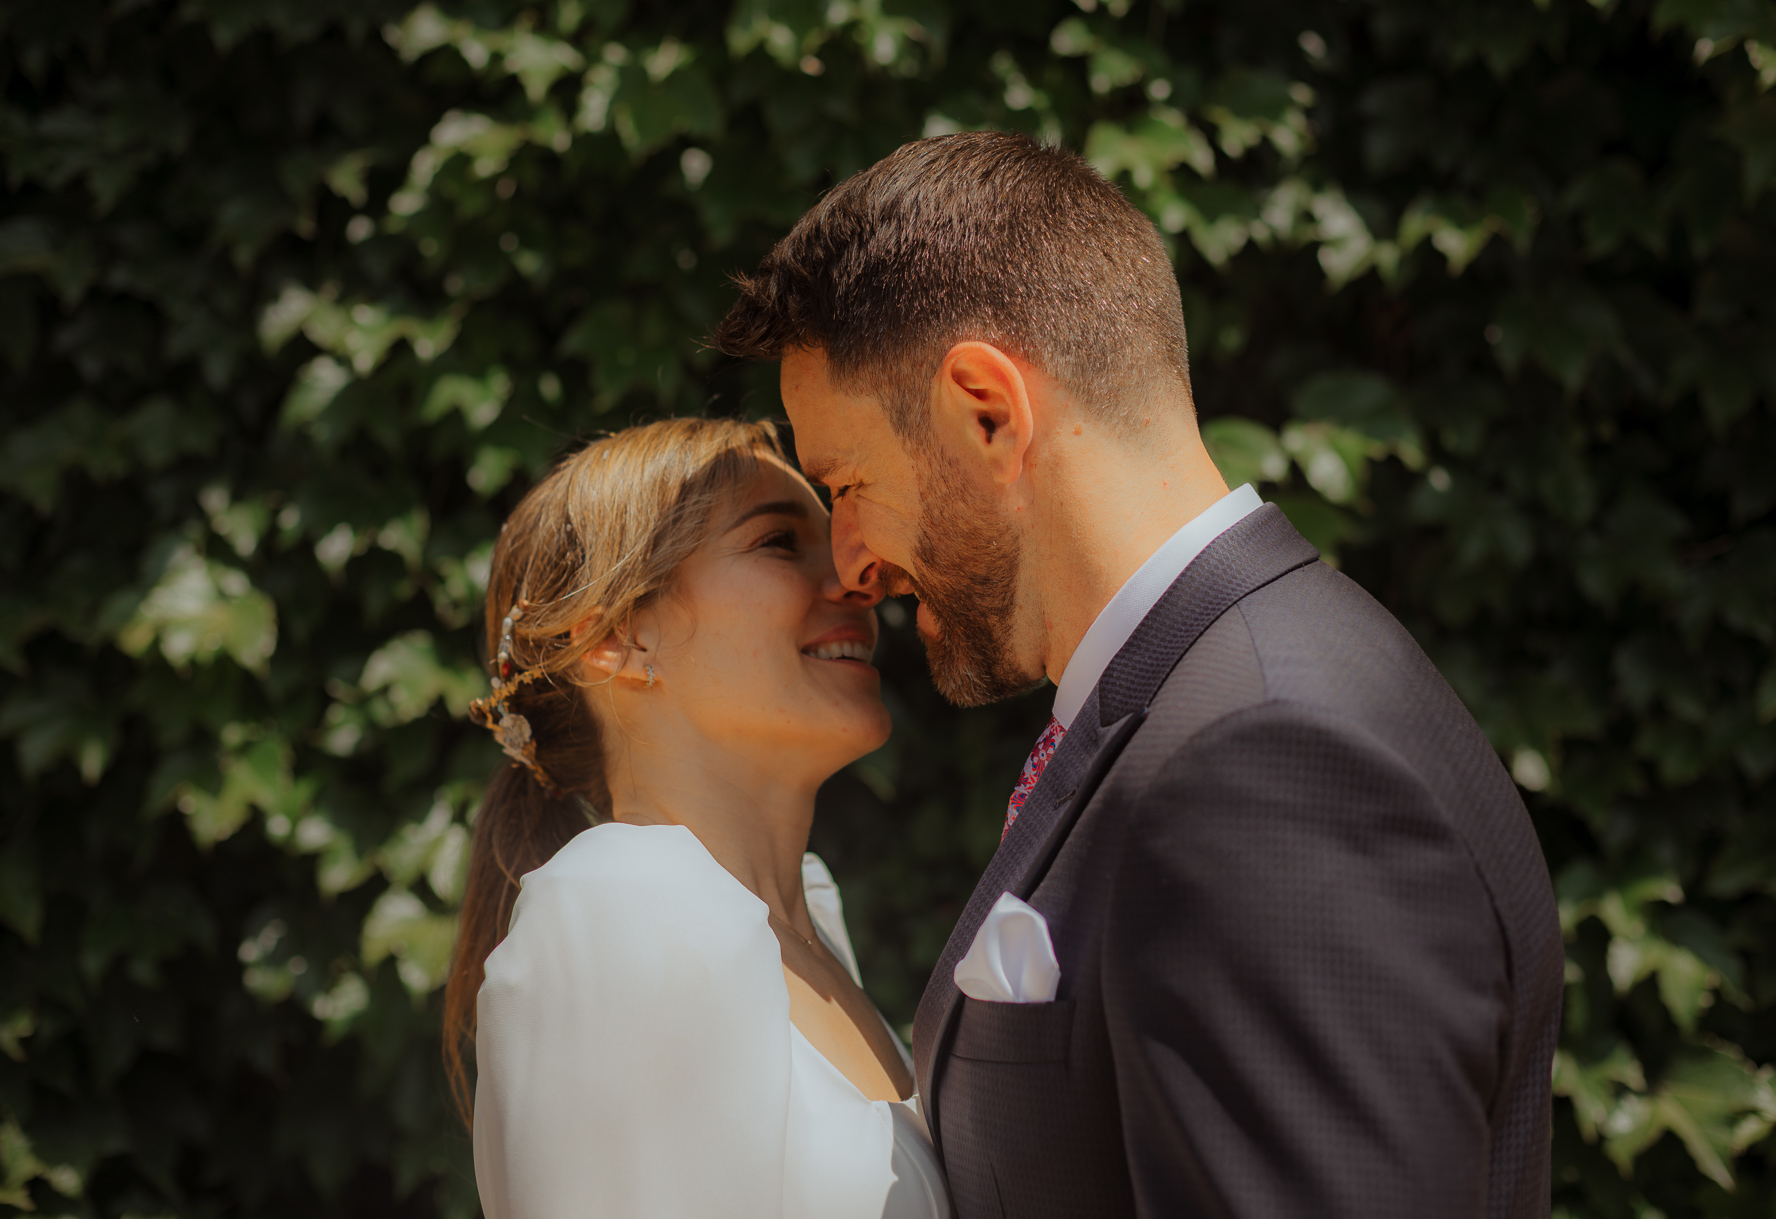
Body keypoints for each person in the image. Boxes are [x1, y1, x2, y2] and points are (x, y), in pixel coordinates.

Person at [715, 131, 1564, 1218]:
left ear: (987, 410)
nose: (850, 564)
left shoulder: (1267, 759)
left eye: (848, 482)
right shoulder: (1216, 693)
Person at [442, 417, 951, 1218]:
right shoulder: (621, 906)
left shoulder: (805, 922)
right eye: (780, 541)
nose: (862, 575)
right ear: (615, 638)